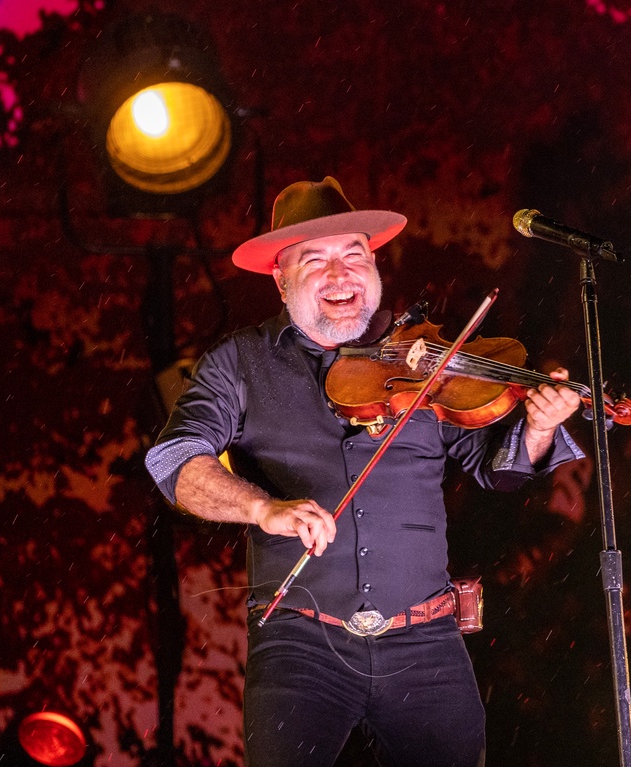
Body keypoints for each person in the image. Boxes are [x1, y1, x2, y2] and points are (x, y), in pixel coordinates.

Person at [145, 177, 584, 767]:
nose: (340, 274)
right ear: (280, 279)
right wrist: (262, 508)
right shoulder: (239, 362)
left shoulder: (423, 358)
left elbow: (495, 469)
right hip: (301, 642)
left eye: (354, 255)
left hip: (426, 641)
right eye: (315, 260)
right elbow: (173, 459)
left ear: (373, 266)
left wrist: (537, 429)